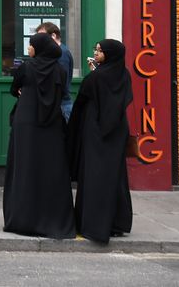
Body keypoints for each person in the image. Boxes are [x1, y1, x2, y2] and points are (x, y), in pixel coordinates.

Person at [3, 33, 75, 239]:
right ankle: (50, 219)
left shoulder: (26, 67)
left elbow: (13, 89)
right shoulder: (59, 70)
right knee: (49, 171)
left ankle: (22, 218)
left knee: (24, 168)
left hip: (25, 123)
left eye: (32, 45)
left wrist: (24, 92)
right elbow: (63, 93)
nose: (29, 48)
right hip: (51, 125)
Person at [67, 39, 134, 244]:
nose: (96, 53)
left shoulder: (96, 78)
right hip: (116, 131)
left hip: (95, 130)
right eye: (95, 50)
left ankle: (94, 225)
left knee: (94, 176)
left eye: (100, 51)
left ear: (110, 54)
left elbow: (83, 98)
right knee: (114, 175)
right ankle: (117, 223)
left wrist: (94, 73)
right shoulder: (123, 74)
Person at [36, 22, 74, 121]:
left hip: (61, 106)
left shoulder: (62, 53)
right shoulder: (56, 51)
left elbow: (62, 81)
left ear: (53, 35)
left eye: (42, 36)